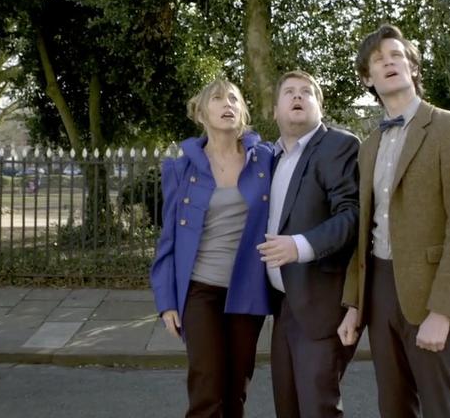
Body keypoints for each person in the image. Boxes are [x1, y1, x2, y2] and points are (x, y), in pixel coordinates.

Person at [337, 24, 450, 418]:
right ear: (368, 78)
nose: (389, 62)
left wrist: (442, 310)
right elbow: (364, 232)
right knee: (394, 406)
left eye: (397, 55)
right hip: (380, 288)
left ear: (414, 69)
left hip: (432, 290)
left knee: (438, 408)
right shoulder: (369, 146)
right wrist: (354, 304)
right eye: (378, 60)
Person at [150, 79, 274, 418]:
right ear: (201, 113)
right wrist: (167, 302)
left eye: (234, 98)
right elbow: (169, 239)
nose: (227, 103)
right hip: (199, 291)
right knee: (207, 387)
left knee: (235, 390)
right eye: (217, 98)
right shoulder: (181, 169)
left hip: (247, 290)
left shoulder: (265, 160)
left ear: (243, 112)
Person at [255, 70, 360, 418]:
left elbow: (352, 215)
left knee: (318, 409)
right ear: (275, 111)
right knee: (287, 406)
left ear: (320, 106)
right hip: (283, 305)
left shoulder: (338, 145)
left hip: (321, 304)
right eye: (289, 92)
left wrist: (300, 246)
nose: (297, 97)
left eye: (306, 92)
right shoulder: (272, 157)